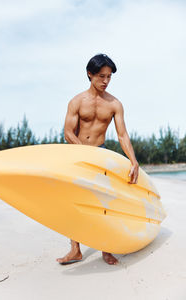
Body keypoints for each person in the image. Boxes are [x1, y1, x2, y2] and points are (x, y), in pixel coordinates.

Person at [56, 53, 139, 265]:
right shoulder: (76, 102)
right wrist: (85, 153)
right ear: (89, 74)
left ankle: (106, 248)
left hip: (100, 154)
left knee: (103, 204)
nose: (105, 81)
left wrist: (133, 161)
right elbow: (68, 133)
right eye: (101, 76)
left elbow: (122, 135)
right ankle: (75, 249)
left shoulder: (114, 104)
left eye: (109, 77)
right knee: (74, 203)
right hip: (77, 155)